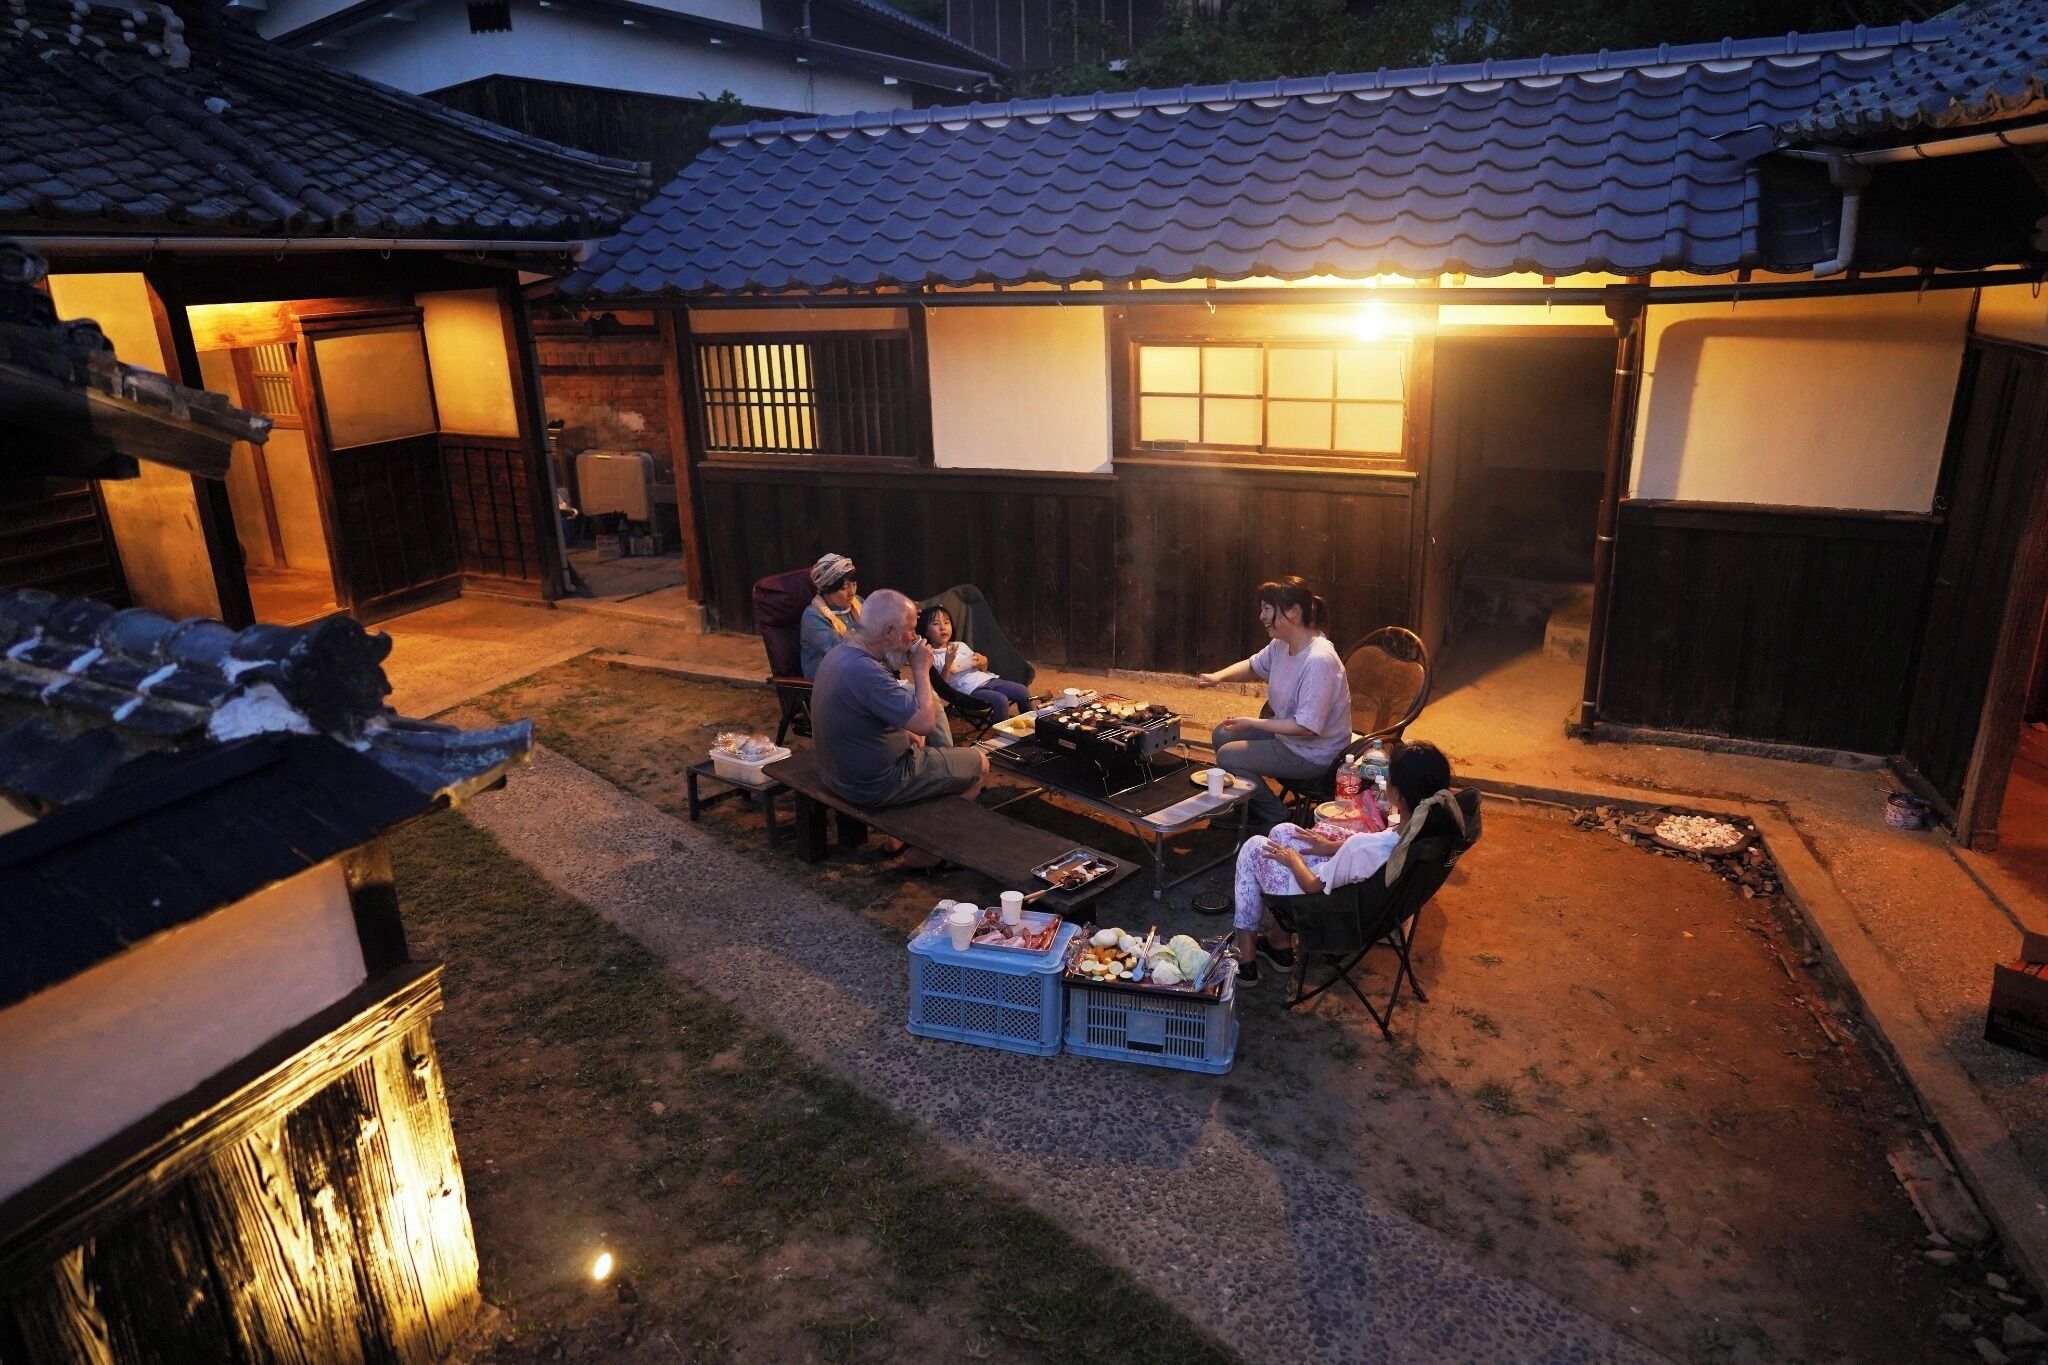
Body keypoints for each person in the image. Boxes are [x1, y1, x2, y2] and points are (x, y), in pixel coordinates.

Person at [1230, 741, 1467, 987]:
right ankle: (1278, 946)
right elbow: (1372, 848)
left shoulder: (1364, 847)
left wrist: (1294, 860)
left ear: (1397, 793)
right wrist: (1331, 846)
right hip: (1367, 902)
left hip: (1324, 906)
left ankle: (1246, 961)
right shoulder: (1425, 832)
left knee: (1254, 847)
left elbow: (1312, 885)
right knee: (1284, 831)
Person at [811, 589, 988, 839]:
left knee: (918, 735)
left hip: (837, 774)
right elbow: (926, 724)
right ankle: (927, 852)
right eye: (911, 630)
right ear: (889, 632)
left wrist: (905, 734)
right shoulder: (867, 672)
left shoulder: (841, 653)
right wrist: (921, 669)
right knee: (979, 763)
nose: (915, 637)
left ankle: (899, 841)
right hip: (874, 784)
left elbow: (867, 714)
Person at [1195, 576, 1352, 829]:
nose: (1261, 616)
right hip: (1290, 739)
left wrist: (1253, 723)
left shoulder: (1319, 660)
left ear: (1293, 611)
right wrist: (1217, 677)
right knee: (1222, 734)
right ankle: (1250, 802)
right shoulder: (1282, 644)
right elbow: (1253, 665)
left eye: (1267, 608)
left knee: (1229, 756)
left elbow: (1307, 727)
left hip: (1314, 754)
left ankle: (1276, 816)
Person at [918, 604, 1033, 721]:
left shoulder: (960, 645)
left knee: (1022, 691)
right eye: (936, 624)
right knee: (1001, 700)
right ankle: (1002, 735)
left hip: (988, 680)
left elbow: (981, 669)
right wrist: (948, 663)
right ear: (926, 631)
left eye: (947, 622)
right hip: (969, 690)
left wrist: (983, 661)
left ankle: (1033, 725)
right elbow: (942, 686)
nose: (943, 627)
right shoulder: (931, 655)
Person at [799, 552, 862, 677]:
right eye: (844, 588)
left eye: (854, 585)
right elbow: (841, 651)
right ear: (827, 589)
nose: (852, 593)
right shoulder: (813, 616)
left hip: (858, 674)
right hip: (832, 684)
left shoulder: (857, 603)